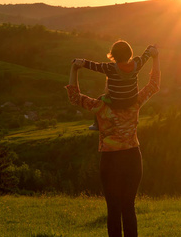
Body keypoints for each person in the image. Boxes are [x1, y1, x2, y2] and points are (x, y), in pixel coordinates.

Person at [66, 46, 160, 237]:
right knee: (128, 207)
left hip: (110, 161)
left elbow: (75, 97)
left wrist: (74, 69)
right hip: (133, 157)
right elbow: (153, 85)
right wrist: (156, 58)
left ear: (109, 86)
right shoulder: (135, 102)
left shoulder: (100, 106)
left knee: (113, 209)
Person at [74, 40, 154, 130]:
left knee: (101, 98)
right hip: (132, 100)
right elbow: (145, 57)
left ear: (113, 56)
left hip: (115, 102)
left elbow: (95, 66)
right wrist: (149, 48)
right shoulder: (136, 64)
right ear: (130, 54)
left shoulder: (110, 68)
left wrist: (83, 62)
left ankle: (96, 124)